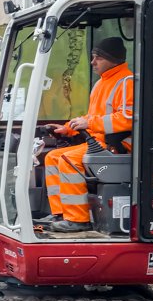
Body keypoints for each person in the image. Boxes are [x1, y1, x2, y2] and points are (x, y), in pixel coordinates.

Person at [43, 36, 134, 233]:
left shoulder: (127, 82)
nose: (93, 62)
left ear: (114, 59)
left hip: (119, 145)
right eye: (93, 57)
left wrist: (89, 123)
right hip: (99, 141)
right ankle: (61, 213)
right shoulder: (102, 83)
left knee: (68, 159)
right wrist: (67, 128)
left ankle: (78, 219)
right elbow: (92, 116)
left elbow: (127, 119)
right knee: (52, 157)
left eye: (98, 58)